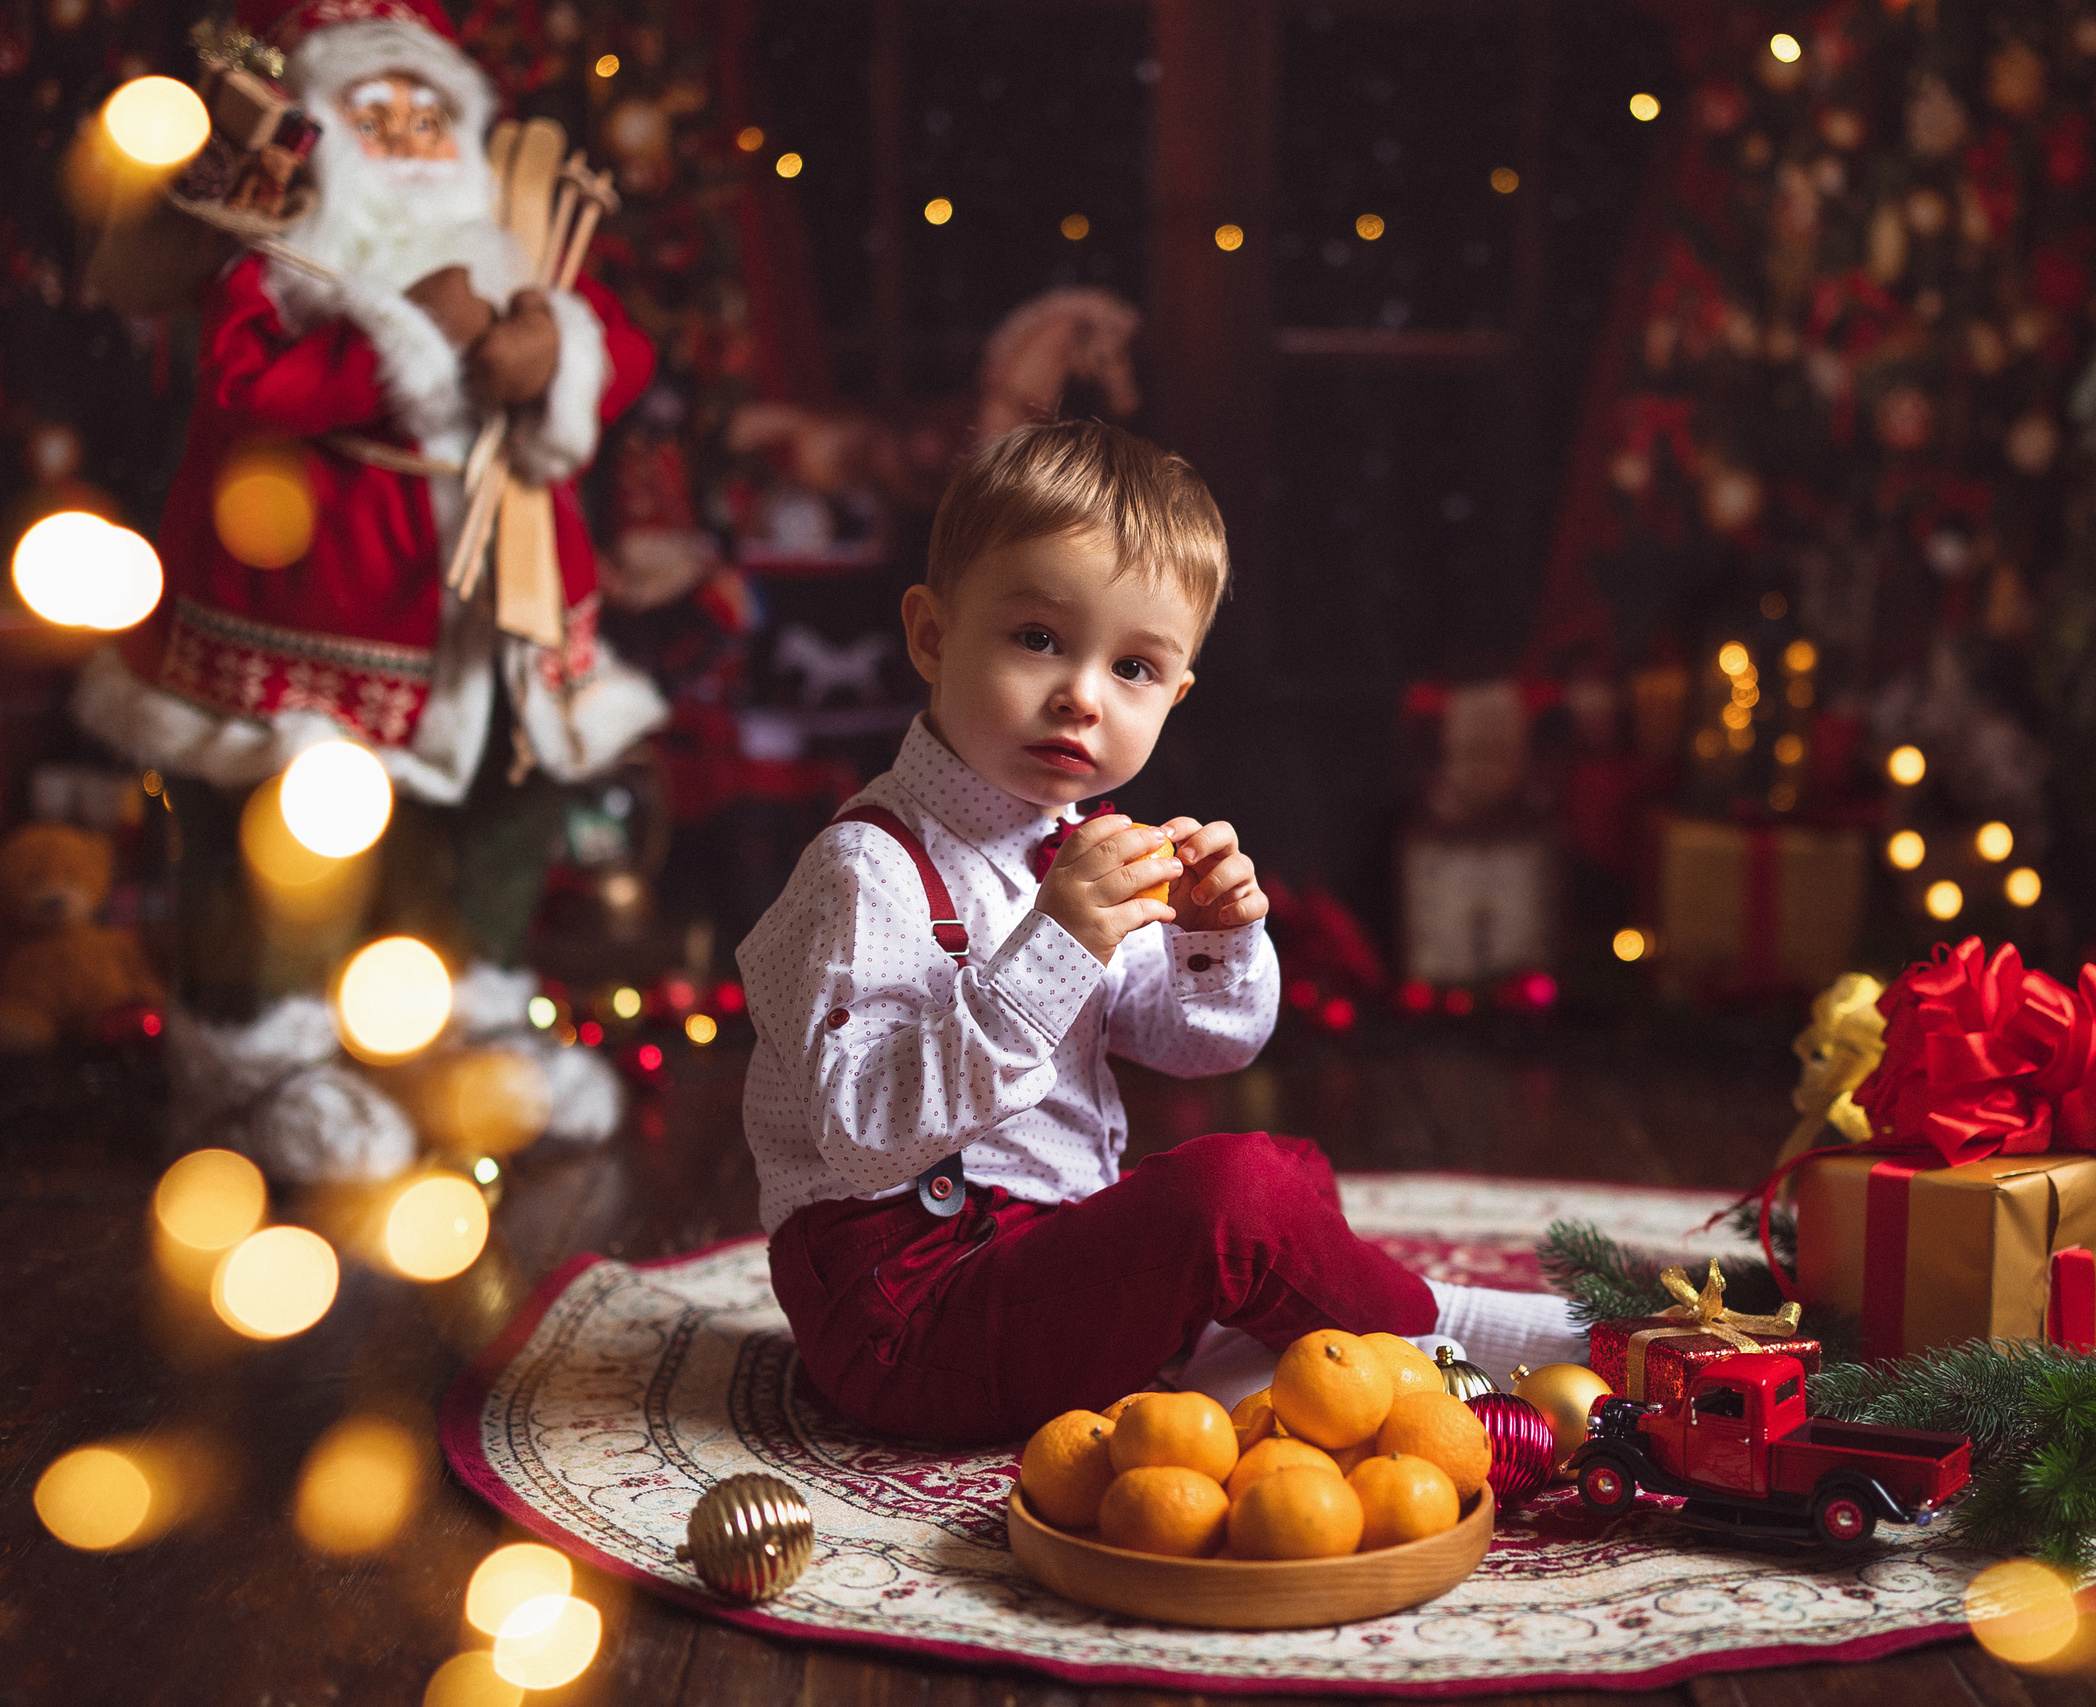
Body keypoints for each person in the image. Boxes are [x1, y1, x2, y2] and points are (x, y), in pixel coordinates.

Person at [738, 420, 1582, 1446]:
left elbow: (1200, 1049)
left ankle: (1227, 1377)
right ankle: (1460, 1340)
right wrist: (1056, 943)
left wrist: (1211, 941)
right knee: (1233, 1203)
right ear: (931, 635)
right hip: (907, 1320)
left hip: (1019, 1252)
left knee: (1282, 1177)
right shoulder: (866, 868)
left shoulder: (1075, 847)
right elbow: (865, 1136)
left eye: (1133, 668)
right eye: (1036, 638)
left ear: (1176, 695)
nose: (1081, 696)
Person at [71, 0, 661, 1179]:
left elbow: (621, 348)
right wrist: (408, 339)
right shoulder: (275, 237)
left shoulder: (509, 232)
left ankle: (468, 1026)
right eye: (371, 113)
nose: (403, 138)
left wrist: (554, 354)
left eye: (423, 114)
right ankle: (261, 1057)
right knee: (292, 826)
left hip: (495, 609)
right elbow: (244, 383)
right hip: (307, 595)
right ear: (317, 121)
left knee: (498, 805)